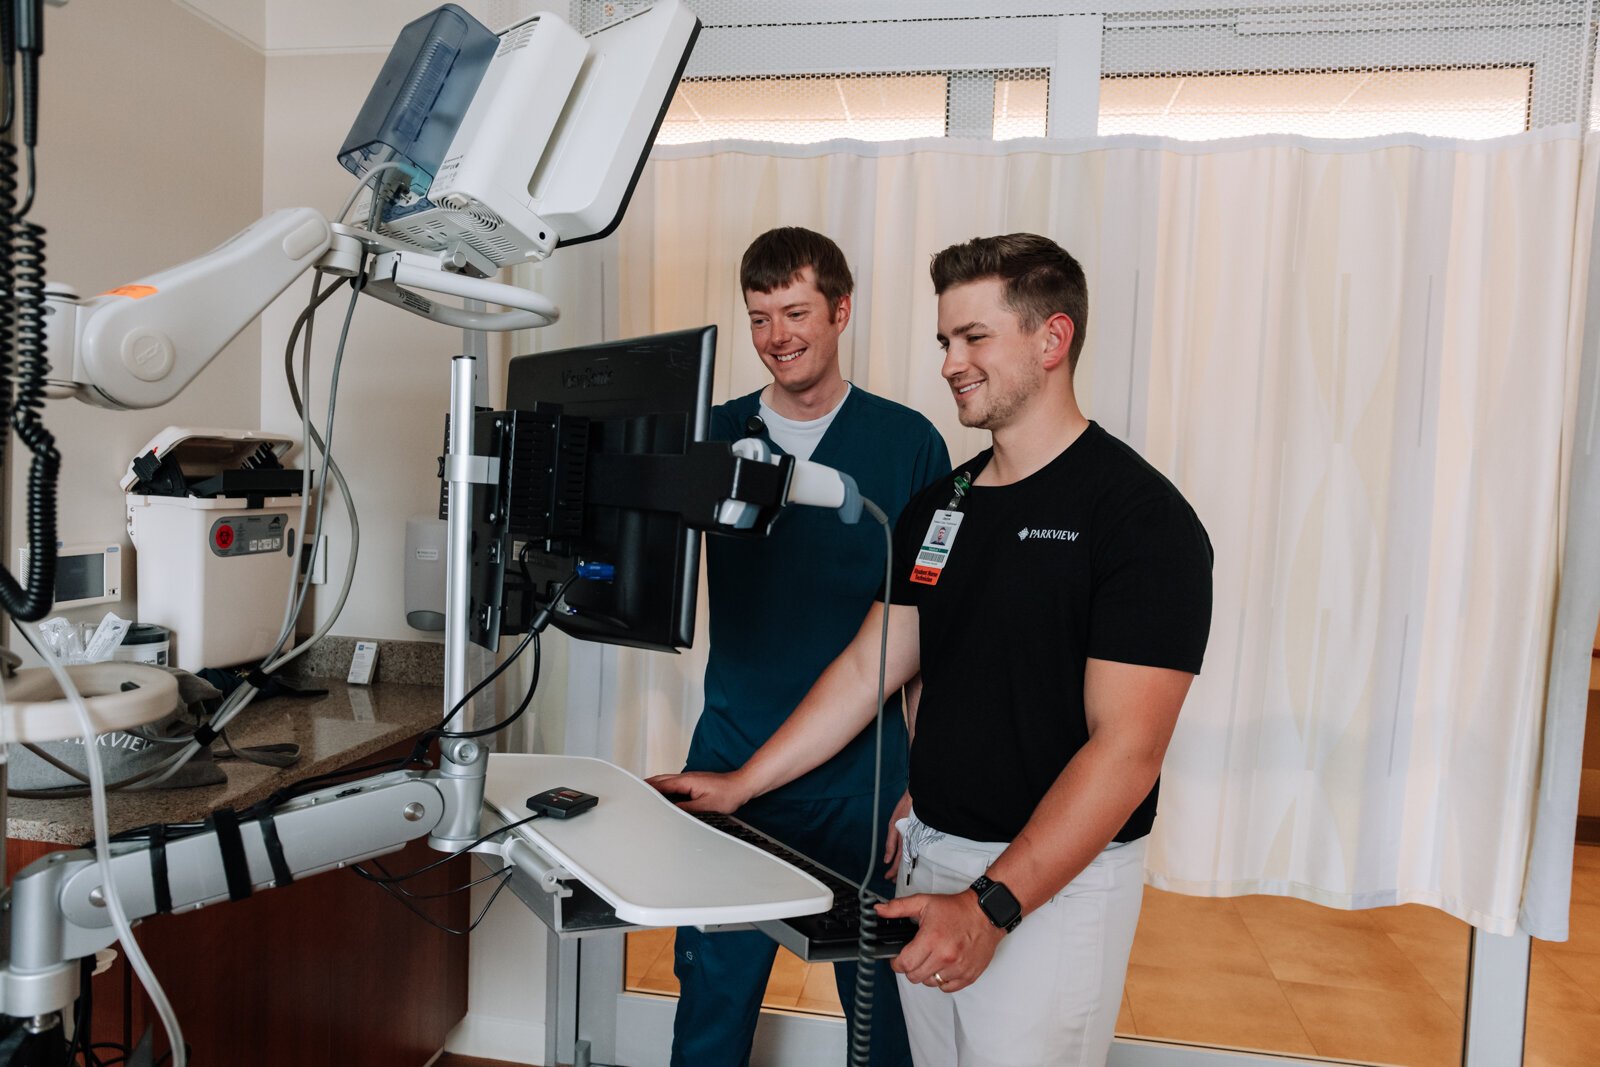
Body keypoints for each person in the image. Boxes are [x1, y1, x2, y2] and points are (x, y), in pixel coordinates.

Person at [650, 233, 1213, 1066]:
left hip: (1042, 886)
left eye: (974, 337)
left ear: (1052, 339)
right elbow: (864, 669)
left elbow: (1128, 751)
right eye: (945, 341)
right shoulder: (941, 506)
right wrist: (742, 783)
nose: (951, 362)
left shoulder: (1138, 517)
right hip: (932, 857)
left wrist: (992, 905)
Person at [663, 227, 950, 1067]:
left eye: (795, 311)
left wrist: (919, 784)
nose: (778, 335)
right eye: (759, 318)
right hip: (731, 758)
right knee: (710, 1000)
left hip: (861, 787)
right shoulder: (712, 437)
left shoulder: (907, 445)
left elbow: (924, 636)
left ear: (840, 311)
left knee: (880, 1016)